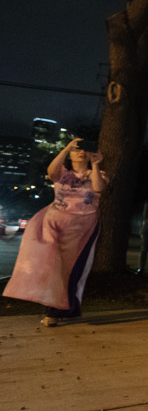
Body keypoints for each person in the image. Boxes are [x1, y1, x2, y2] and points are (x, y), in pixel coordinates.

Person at [4, 138, 107, 327]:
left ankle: (67, 309)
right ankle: (54, 309)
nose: (80, 152)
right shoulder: (62, 174)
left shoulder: (96, 173)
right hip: (56, 225)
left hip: (83, 228)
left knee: (73, 269)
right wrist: (66, 147)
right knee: (53, 267)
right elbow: (51, 171)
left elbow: (99, 188)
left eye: (84, 149)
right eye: (76, 150)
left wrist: (95, 164)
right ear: (69, 154)